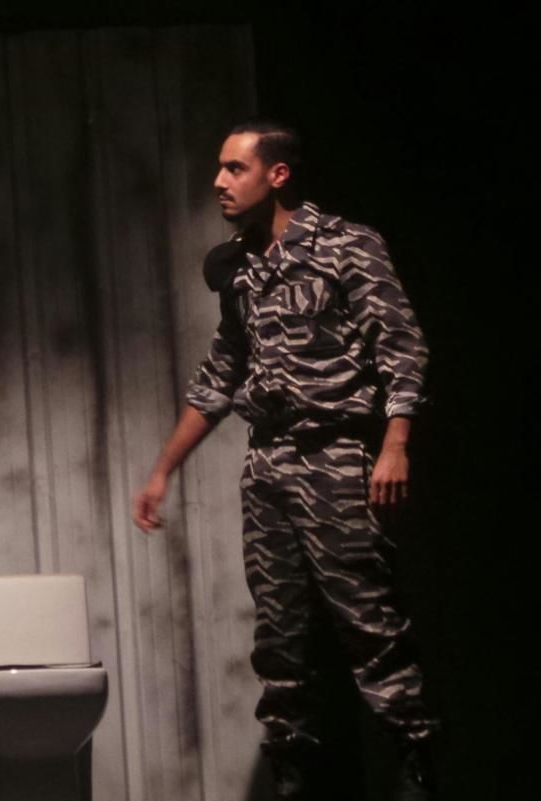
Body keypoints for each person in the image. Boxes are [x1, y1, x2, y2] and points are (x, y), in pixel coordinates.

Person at [133, 120, 439, 800]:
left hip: (336, 457)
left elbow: (401, 346)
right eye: (219, 167)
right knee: (279, 638)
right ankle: (292, 776)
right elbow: (221, 374)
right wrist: (163, 470)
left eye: (234, 168)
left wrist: (395, 444)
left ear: (277, 175)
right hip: (268, 468)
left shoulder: (346, 245)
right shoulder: (240, 267)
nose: (219, 181)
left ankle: (414, 765)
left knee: (369, 625)